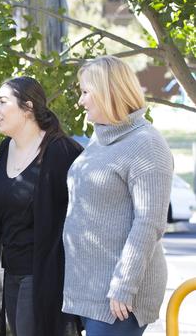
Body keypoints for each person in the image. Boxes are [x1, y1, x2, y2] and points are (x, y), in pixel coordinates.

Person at [63, 55, 173, 335]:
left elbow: (149, 223)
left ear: (108, 92)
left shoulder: (146, 143)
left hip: (121, 296)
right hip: (88, 289)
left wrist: (124, 285)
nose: (81, 101)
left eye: (86, 92)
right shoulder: (101, 139)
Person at [0, 77, 82, 336]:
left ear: (28, 108)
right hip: (10, 273)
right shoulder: (4, 149)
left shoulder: (61, 152)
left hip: (43, 275)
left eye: (2, 101)